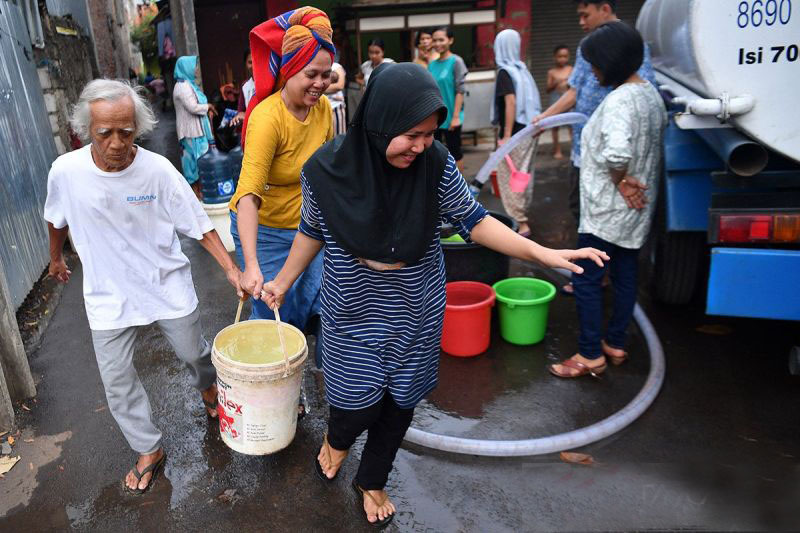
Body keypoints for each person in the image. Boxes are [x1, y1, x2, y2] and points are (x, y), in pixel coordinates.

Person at [259, 62, 608, 527]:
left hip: (415, 308)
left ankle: (373, 479)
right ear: (380, 122)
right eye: (411, 135)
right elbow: (311, 231)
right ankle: (337, 439)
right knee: (353, 404)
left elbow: (474, 220)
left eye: (430, 133)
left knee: (401, 401)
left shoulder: (435, 163)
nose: (422, 145)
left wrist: (539, 253)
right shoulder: (325, 171)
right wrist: (283, 279)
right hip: (353, 308)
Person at [44, 79, 243, 494]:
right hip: (108, 296)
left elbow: (198, 223)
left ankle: (208, 386)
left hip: (165, 283)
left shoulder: (156, 170)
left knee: (195, 353)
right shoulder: (66, 171)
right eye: (105, 133)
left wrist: (230, 269)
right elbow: (56, 217)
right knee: (117, 381)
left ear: (138, 127)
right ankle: (148, 449)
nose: (117, 142)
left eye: (126, 131)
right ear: (85, 131)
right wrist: (55, 256)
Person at [549, 22, 666, 379]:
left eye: (595, 63)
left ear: (611, 62)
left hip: (606, 211)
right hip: (635, 212)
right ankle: (614, 343)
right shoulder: (650, 94)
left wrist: (619, 179)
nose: (593, 70)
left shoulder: (618, 102)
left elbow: (617, 153)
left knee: (585, 279)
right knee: (626, 274)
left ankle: (589, 355)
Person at [534, 0, 656, 293]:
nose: (580, 21)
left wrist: (622, 175)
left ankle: (595, 275)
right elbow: (575, 92)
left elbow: (637, 98)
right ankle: (595, 271)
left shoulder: (632, 48)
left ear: (604, 8)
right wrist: (543, 119)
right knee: (582, 211)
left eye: (584, 14)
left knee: (610, 219)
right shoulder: (587, 46)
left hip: (614, 157)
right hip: (583, 150)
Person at [229, 6, 334, 335]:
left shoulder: (324, 110)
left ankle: (298, 376)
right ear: (289, 70)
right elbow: (248, 194)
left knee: (306, 303)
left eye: (326, 74)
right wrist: (251, 264)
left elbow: (328, 172)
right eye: (311, 74)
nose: (319, 84)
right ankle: (266, 381)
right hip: (267, 232)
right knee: (274, 312)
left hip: (307, 229)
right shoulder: (267, 118)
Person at [491, 29, 541, 237]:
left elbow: (510, 101)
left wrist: (507, 136)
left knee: (512, 179)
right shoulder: (522, 70)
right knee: (522, 177)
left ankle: (521, 224)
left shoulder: (505, 72)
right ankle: (521, 219)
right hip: (529, 131)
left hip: (515, 135)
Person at [172, 56, 217, 199]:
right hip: (190, 132)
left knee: (199, 161)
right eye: (194, 66)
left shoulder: (189, 84)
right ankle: (196, 196)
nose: (196, 69)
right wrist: (208, 106)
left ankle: (201, 193)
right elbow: (192, 107)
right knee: (193, 164)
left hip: (195, 130)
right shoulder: (182, 86)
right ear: (186, 68)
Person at [429, 26, 468, 172]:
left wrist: (456, 117)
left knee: (455, 152)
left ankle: (460, 190)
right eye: (435, 40)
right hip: (435, 118)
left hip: (452, 116)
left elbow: (460, 90)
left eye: (441, 40)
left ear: (450, 40)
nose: (437, 43)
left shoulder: (456, 61)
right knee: (435, 153)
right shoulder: (432, 65)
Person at [546, 45, 573, 159]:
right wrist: (555, 83)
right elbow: (547, 89)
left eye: (565, 56)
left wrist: (568, 82)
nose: (562, 59)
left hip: (568, 98)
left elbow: (575, 86)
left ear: (568, 57)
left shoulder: (571, 70)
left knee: (571, 124)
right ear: (555, 57)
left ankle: (574, 149)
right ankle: (557, 149)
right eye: (560, 56)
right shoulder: (552, 72)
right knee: (555, 126)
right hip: (555, 98)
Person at [232, 50, 254, 128]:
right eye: (250, 62)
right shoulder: (245, 86)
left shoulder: (271, 83)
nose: (253, 65)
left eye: (256, 60)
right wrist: (240, 115)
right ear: (245, 64)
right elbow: (241, 110)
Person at [326, 62, 347, 135]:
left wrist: (320, 88)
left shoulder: (336, 66)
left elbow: (340, 86)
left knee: (338, 137)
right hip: (321, 108)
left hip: (335, 107)